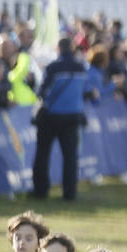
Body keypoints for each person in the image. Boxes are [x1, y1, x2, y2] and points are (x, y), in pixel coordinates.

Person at [31, 38, 93, 202]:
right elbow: (86, 91)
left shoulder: (53, 68)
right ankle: (70, 193)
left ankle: (41, 191)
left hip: (52, 116)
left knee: (43, 153)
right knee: (70, 156)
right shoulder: (81, 68)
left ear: (58, 49)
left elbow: (43, 92)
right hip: (73, 116)